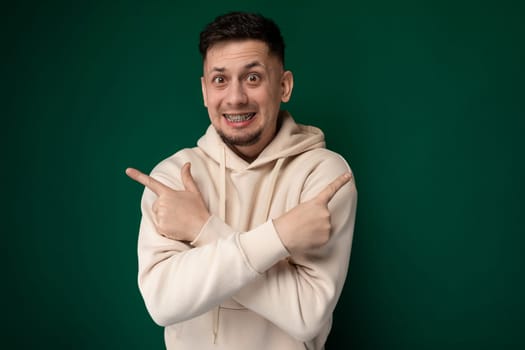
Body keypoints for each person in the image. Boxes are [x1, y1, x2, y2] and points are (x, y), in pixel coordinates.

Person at [126, 11, 358, 350]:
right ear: (205, 91)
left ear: (284, 85)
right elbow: (163, 303)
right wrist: (279, 237)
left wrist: (202, 230)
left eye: (252, 78)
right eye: (220, 80)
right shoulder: (173, 178)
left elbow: (306, 315)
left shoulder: (322, 175)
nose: (235, 98)